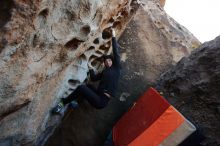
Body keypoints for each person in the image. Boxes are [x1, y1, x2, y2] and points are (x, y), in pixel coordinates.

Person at [52, 28, 121, 114]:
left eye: (109, 60)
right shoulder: (105, 72)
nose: (107, 62)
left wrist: (113, 36)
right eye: (106, 61)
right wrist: (90, 67)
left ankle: (62, 103)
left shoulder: (116, 68)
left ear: (113, 61)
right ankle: (74, 102)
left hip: (101, 101)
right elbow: (93, 78)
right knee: (87, 86)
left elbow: (116, 52)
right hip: (98, 95)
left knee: (81, 88)